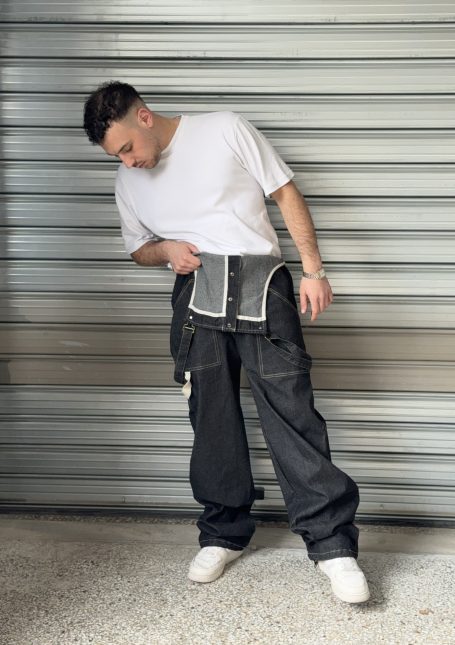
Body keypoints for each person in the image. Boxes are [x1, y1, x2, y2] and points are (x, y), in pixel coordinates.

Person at [83, 81, 370, 604]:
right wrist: (165, 248)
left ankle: (332, 545)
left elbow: (284, 191)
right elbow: (138, 250)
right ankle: (223, 533)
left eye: (126, 148)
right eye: (115, 157)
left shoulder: (223, 129)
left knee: (293, 415)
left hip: (263, 284)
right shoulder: (128, 183)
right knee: (210, 419)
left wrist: (313, 271)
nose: (127, 163)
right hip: (196, 296)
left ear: (143, 117)